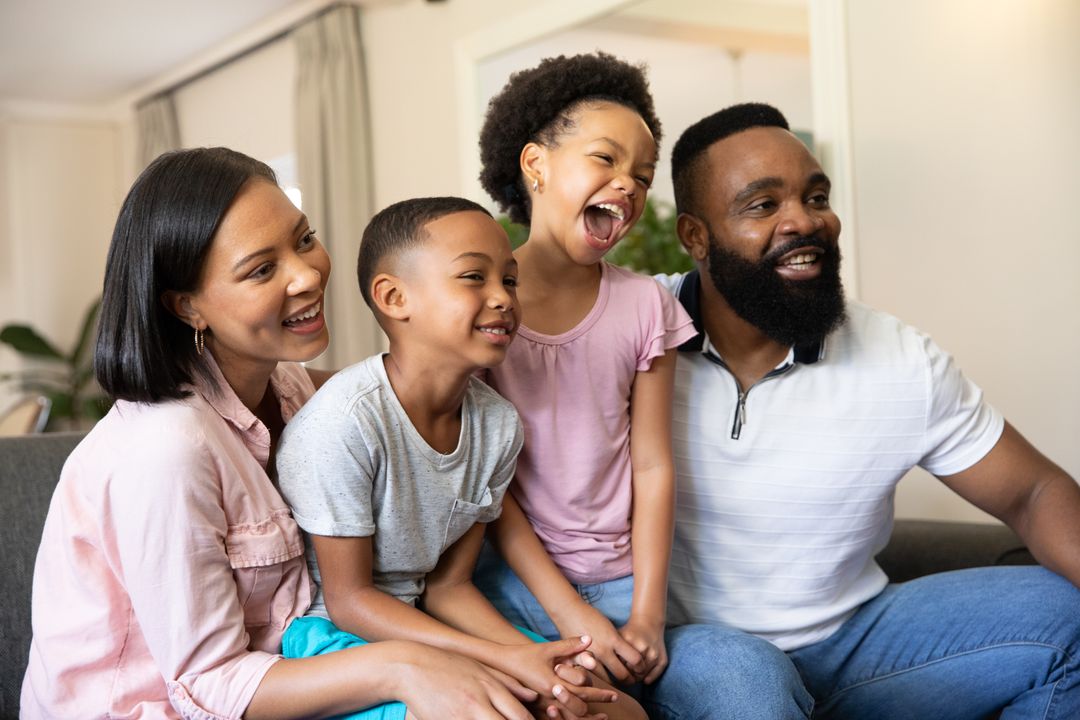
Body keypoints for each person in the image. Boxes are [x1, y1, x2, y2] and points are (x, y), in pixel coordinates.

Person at [21, 149, 533, 720]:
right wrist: (408, 666)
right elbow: (208, 685)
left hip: (305, 670)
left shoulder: (295, 390)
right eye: (262, 269)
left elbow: (410, 395)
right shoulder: (166, 450)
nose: (309, 274)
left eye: (305, 238)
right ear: (189, 306)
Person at [656, 101, 1080, 719]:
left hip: (857, 641)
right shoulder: (631, 334)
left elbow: (1033, 492)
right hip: (699, 653)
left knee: (1066, 613)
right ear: (696, 236)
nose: (804, 221)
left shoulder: (900, 358)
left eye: (817, 197)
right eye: (763, 204)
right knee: (746, 681)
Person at [274, 196, 643, 720]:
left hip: (429, 614)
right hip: (338, 638)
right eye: (474, 277)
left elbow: (449, 585)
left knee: (609, 708)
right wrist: (502, 661)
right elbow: (350, 600)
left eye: (509, 280)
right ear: (395, 297)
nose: (503, 298)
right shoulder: (345, 423)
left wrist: (534, 661)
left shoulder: (497, 425)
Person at [472, 52, 738, 719]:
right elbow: (487, 486)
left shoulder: (648, 307)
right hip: (515, 589)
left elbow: (651, 465)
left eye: (641, 175)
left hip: (624, 585)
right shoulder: (479, 308)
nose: (627, 184)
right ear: (535, 165)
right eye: (605, 159)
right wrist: (566, 613)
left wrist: (647, 614)